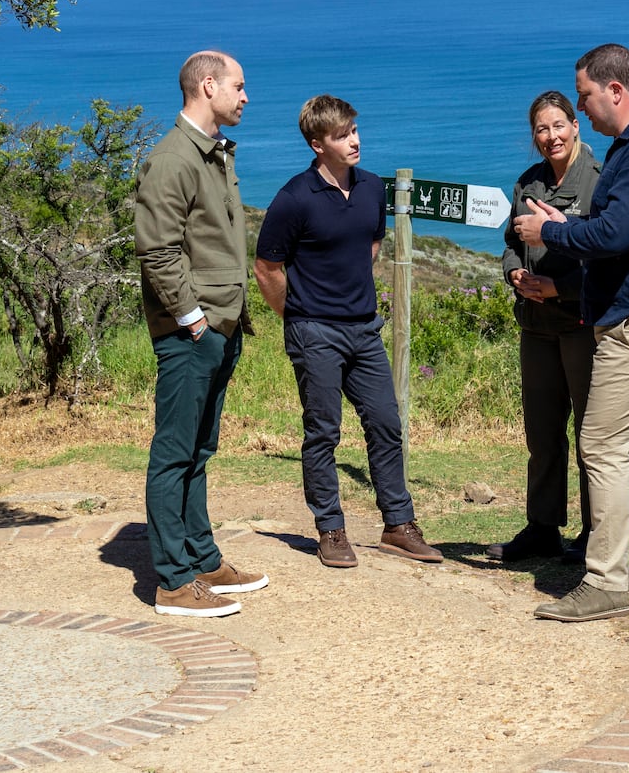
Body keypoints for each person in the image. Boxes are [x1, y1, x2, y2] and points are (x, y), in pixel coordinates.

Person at [515, 44, 629, 623]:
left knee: (601, 443)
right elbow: (620, 226)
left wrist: (554, 232)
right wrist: (571, 227)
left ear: (614, 91)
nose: (581, 108)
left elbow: (616, 234)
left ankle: (604, 580)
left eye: (585, 96)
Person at [253, 95, 442, 569]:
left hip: (364, 329)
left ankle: (398, 526)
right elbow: (266, 267)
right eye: (342, 135)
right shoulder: (294, 198)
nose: (354, 140)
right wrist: (296, 316)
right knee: (324, 432)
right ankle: (331, 530)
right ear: (318, 145)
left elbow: (371, 245)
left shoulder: (373, 188)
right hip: (314, 331)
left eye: (355, 130)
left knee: (386, 423)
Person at [135, 49, 268, 618]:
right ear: (207, 86)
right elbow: (158, 250)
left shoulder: (212, 153)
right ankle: (171, 581)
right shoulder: (173, 159)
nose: (245, 96)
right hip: (195, 329)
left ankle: (201, 558)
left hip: (220, 322)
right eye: (238, 86)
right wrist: (193, 319)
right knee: (174, 451)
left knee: (200, 448)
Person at [489, 90, 600, 563]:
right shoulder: (528, 182)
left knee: (592, 436)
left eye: (558, 125)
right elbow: (512, 240)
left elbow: (607, 254)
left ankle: (597, 533)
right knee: (542, 432)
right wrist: (514, 272)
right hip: (535, 326)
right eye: (541, 129)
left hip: (580, 323)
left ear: (576, 126)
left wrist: (561, 287)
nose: (550, 136)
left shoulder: (597, 181)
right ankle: (542, 528)